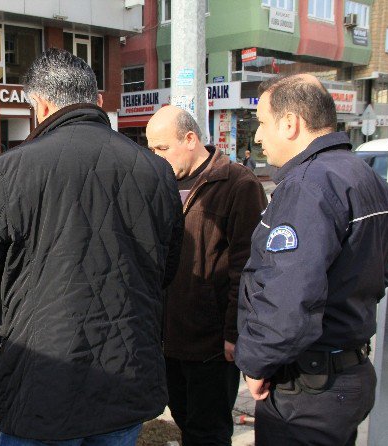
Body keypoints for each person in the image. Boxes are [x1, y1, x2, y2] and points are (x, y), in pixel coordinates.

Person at [0, 48, 184, 445]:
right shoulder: (156, 170)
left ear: (40, 105)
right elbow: (167, 267)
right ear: (96, 101)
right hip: (124, 376)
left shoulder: (11, 168)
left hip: (42, 383)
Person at [235, 74, 388, 446]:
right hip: (344, 374)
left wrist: (256, 362)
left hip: (308, 389)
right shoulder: (364, 177)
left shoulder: (308, 185)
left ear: (290, 124)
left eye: (262, 122)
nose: (258, 136)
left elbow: (289, 293)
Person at [146, 105, 267, 446]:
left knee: (208, 432)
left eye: (162, 148)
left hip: (211, 344)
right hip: (168, 338)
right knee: (184, 420)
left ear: (190, 139)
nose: (155, 156)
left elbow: (248, 266)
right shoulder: (159, 183)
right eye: (151, 148)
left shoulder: (238, 183)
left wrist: (234, 333)